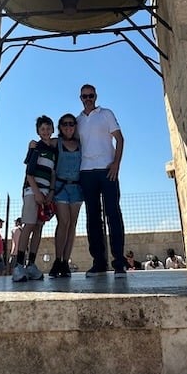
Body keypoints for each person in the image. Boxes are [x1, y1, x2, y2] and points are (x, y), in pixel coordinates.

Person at [76, 84, 126, 278]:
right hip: (86, 172)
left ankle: (119, 262)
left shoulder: (106, 114)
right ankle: (98, 262)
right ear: (80, 98)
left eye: (91, 95)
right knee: (92, 218)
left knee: (113, 214)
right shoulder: (78, 120)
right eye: (84, 96)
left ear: (96, 96)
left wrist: (116, 164)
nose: (88, 98)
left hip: (107, 170)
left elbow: (120, 139)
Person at [12, 115, 57, 283]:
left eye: (48, 128)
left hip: (45, 192)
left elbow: (53, 173)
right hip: (32, 190)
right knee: (29, 225)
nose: (45, 131)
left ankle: (31, 264)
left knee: (38, 228)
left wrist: (50, 192)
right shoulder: (35, 147)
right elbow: (29, 172)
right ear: (38, 131)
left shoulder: (54, 151)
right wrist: (37, 192)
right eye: (42, 129)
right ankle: (18, 265)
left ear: (52, 129)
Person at [48, 113, 83, 278]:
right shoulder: (57, 142)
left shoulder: (81, 144)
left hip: (77, 188)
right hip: (61, 187)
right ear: (60, 127)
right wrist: (32, 144)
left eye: (71, 124)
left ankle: (65, 262)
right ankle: (57, 259)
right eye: (65, 124)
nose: (68, 127)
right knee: (63, 222)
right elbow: (43, 143)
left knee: (72, 225)